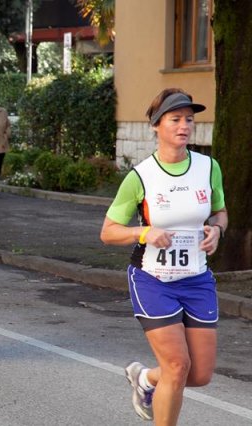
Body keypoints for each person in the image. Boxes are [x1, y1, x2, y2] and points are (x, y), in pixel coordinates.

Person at [100, 88, 227, 425]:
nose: (184, 125)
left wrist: (217, 230)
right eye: (175, 119)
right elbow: (108, 231)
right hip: (153, 279)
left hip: (197, 278)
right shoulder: (140, 177)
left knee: (199, 375)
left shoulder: (208, 167)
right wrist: (143, 232)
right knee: (177, 366)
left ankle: (145, 379)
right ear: (156, 125)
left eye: (189, 119)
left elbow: (220, 212)